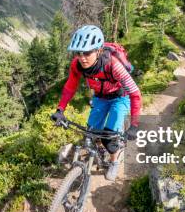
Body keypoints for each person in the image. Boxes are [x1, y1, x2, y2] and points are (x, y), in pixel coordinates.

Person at [51, 25, 141, 181]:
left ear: (98, 50)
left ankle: (114, 161)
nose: (82, 57)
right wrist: (60, 109)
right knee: (91, 131)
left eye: (87, 52)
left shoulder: (113, 65)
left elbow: (135, 93)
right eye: (78, 53)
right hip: (100, 96)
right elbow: (70, 87)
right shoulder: (77, 64)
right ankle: (98, 149)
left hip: (120, 97)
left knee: (110, 138)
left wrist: (134, 125)